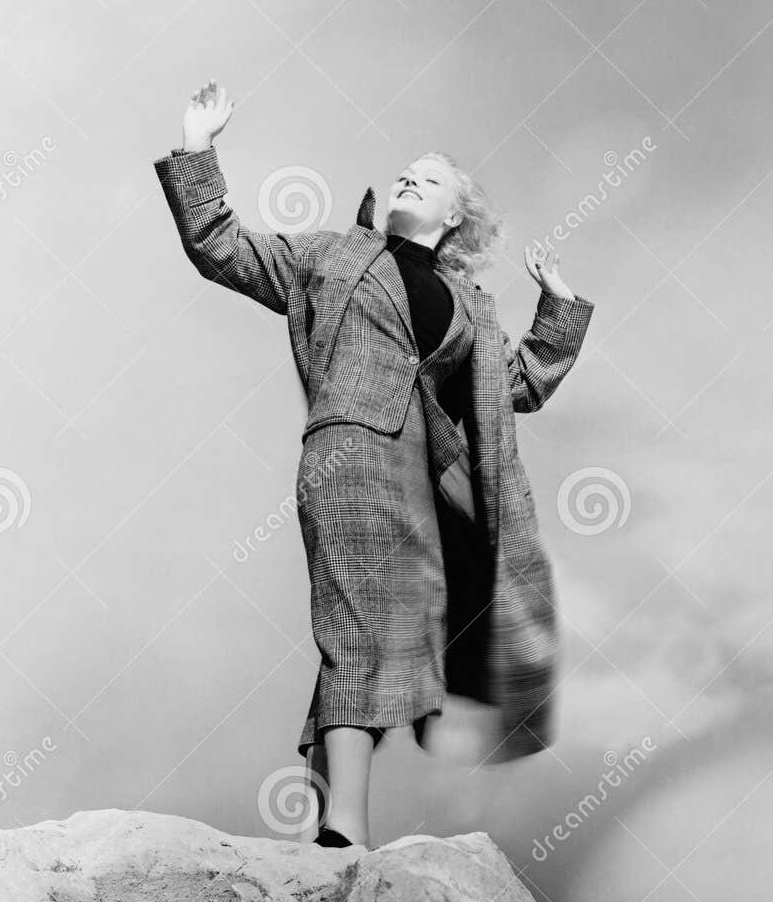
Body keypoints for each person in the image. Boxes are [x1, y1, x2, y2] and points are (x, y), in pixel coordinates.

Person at [154, 80, 594, 847]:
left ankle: (335, 821)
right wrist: (198, 147)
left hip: (429, 485)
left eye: (428, 177)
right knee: (357, 626)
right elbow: (220, 247)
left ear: (456, 214)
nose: (408, 177)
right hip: (349, 455)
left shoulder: (471, 306)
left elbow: (515, 388)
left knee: (383, 637)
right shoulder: (328, 254)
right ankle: (344, 829)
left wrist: (558, 307)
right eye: (404, 171)